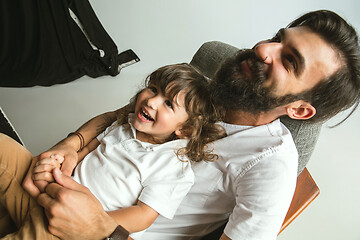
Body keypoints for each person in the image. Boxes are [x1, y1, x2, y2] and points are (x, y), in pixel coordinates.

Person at [1, 9, 360, 240]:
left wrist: (101, 230)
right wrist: (71, 145)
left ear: (299, 110)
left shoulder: (270, 169)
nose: (265, 49)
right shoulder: (215, 88)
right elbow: (121, 118)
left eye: (290, 60)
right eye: (279, 37)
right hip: (60, 185)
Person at [0, 63, 226, 239]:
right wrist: (57, 165)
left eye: (168, 104)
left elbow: (143, 216)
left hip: (69, 231)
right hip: (49, 197)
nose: (151, 101)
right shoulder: (125, 124)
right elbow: (90, 148)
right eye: (153, 89)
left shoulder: (173, 168)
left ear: (184, 129)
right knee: (4, 149)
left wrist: (87, 224)